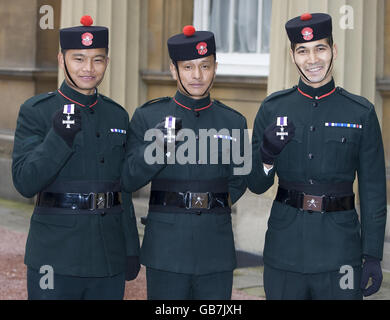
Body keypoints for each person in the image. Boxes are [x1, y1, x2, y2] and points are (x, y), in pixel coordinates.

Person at [247, 13, 386, 300]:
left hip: (340, 251)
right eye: (303, 51)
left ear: (333, 51)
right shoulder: (273, 109)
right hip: (285, 248)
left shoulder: (360, 113)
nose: (313, 59)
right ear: (292, 56)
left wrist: (372, 254)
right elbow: (256, 185)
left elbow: (374, 191)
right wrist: (267, 156)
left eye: (320, 48)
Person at [12, 15, 140, 300]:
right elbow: (24, 182)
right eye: (79, 58)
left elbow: (124, 190)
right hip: (55, 256)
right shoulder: (37, 111)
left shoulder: (116, 114)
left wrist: (130, 247)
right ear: (62, 59)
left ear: (107, 62)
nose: (88, 68)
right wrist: (58, 138)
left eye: (97, 59)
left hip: (108, 255)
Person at [123, 25, 247, 300]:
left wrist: (213, 203)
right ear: (173, 69)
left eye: (205, 66)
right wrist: (159, 146)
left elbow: (240, 179)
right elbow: (128, 178)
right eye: (188, 67)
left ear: (215, 67)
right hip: (167, 247)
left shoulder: (233, 121)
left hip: (215, 245)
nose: (197, 75)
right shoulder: (147, 116)